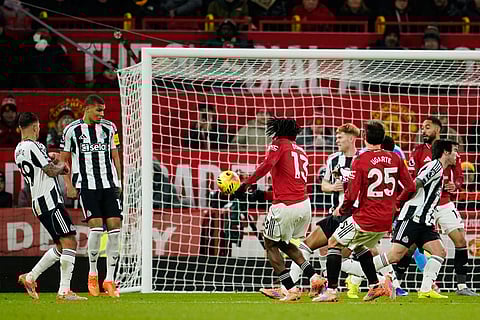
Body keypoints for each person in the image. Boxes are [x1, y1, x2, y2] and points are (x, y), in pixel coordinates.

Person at [314, 120, 416, 302]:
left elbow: (351, 195)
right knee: (359, 246)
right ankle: (375, 285)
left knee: (333, 243)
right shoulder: (396, 158)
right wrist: (397, 203)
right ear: (383, 137)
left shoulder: (360, 160)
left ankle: (331, 291)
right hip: (385, 221)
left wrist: (341, 211)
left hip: (365, 218)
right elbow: (410, 187)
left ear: (363, 137)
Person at [234, 118, 325, 302]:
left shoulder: (278, 144)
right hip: (304, 205)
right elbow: (289, 183)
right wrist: (262, 195)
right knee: (283, 243)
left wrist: (246, 184)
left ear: (277, 131)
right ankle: (314, 278)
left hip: (286, 206)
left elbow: (267, 164)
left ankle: (290, 289)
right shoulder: (300, 151)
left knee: (270, 245)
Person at [374, 139, 460, 298]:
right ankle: (360, 270)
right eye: (454, 150)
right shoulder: (434, 166)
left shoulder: (439, 169)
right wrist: (398, 202)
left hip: (424, 222)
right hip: (413, 218)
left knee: (440, 251)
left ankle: (426, 290)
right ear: (446, 152)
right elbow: (415, 184)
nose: (457, 154)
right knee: (394, 256)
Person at [15, 112, 87, 301]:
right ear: (35, 127)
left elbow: (40, 165)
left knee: (61, 245)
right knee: (70, 240)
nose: (39, 130)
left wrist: (51, 158)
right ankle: (64, 291)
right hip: (49, 200)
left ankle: (30, 277)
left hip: (37, 201)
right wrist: (62, 168)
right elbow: (48, 170)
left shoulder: (18, 149)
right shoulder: (35, 145)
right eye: (38, 127)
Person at [406, 116, 478, 296]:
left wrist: (457, 185)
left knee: (460, 241)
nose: (423, 131)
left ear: (438, 129)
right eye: (422, 127)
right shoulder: (418, 152)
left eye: (427, 127)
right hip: (424, 205)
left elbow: (459, 175)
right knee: (411, 246)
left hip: (444, 203)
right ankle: (396, 283)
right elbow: (411, 179)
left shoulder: (450, 150)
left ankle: (462, 287)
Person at [60, 94, 123, 298]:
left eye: (103, 110)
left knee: (115, 230)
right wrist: (68, 185)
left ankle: (110, 279)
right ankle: (93, 273)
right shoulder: (71, 130)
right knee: (96, 229)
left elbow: (115, 155)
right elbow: (65, 159)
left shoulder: (109, 128)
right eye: (98, 110)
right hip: (86, 186)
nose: (101, 114)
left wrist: (119, 182)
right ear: (86, 109)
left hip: (108, 185)